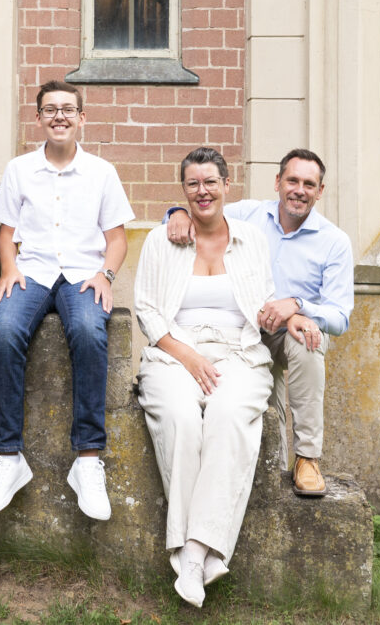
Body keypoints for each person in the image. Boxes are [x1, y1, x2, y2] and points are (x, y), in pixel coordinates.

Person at [0, 80, 135, 521]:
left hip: (83, 274)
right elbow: (6, 233)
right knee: (5, 331)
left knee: (88, 330)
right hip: (32, 272)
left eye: (67, 109)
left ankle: (88, 460)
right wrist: (9, 269)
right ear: (39, 118)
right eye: (50, 109)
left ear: (81, 118)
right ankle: (8, 457)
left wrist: (106, 275)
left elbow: (116, 239)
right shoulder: (20, 170)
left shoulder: (102, 172)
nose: (59, 116)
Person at [166, 148, 353, 496]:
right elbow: (205, 207)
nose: (299, 190)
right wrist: (177, 213)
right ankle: (274, 470)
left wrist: (297, 307)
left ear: (320, 191)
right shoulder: (248, 215)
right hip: (247, 329)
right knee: (265, 401)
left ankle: (308, 458)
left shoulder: (334, 242)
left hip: (293, 331)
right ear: (278, 182)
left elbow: (340, 317)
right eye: (293, 181)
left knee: (307, 341)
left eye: (309, 184)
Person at [135, 147, 274, 608]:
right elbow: (147, 311)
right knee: (178, 416)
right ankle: (202, 553)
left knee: (228, 416)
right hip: (174, 350)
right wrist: (189, 357)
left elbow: (263, 301)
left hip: (239, 351)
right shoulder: (162, 241)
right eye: (192, 184)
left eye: (210, 182)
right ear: (183, 190)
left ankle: (192, 554)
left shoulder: (251, 239)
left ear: (227, 185)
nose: (202, 191)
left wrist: (290, 313)